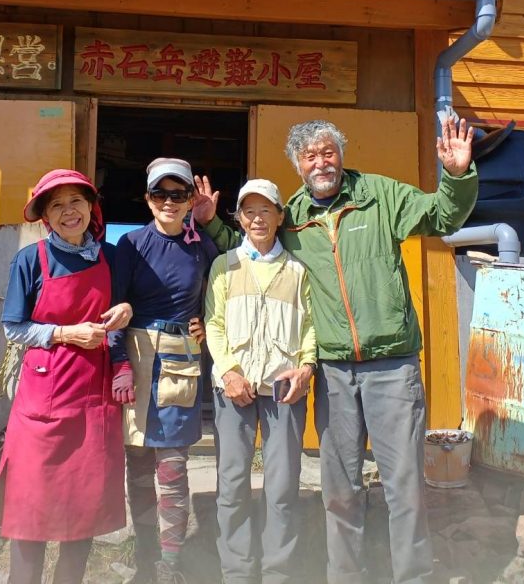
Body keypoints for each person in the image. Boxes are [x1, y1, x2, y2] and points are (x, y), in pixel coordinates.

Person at [193, 119, 477, 584]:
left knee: (404, 487)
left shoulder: (379, 196)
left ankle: (413, 577)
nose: (321, 163)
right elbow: (253, 247)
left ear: (340, 154)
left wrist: (458, 176)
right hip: (334, 373)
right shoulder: (293, 217)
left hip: (391, 366)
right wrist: (209, 223)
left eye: (328, 152)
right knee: (340, 490)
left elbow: (443, 216)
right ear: (298, 166)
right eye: (310, 156)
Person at [0, 169, 133, 584]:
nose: (69, 212)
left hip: (94, 396)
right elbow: (13, 327)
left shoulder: (111, 257)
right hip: (43, 399)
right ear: (46, 216)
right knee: (30, 508)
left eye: (76, 202)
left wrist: (127, 310)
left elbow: (125, 310)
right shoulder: (30, 259)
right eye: (57, 205)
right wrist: (66, 333)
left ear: (91, 208)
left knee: (84, 509)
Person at [109, 157, 219, 584]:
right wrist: (119, 363)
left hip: (180, 362)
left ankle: (170, 566)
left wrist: (207, 323)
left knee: (173, 468)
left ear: (191, 199)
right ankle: (145, 561)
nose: (169, 202)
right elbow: (115, 306)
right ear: (147, 198)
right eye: (160, 193)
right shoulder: (131, 244)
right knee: (137, 467)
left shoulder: (203, 246)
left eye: (178, 194)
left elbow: (222, 295)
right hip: (136, 361)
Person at [203, 178, 316, 584]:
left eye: (266, 210)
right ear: (238, 218)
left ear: (280, 217)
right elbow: (213, 323)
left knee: (282, 487)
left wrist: (306, 368)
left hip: (284, 391)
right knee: (232, 484)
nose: (257, 219)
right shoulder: (225, 265)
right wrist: (228, 371)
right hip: (233, 389)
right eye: (248, 211)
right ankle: (236, 573)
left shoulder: (298, 270)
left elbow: (310, 326)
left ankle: (277, 573)